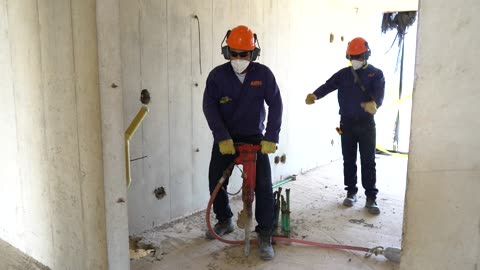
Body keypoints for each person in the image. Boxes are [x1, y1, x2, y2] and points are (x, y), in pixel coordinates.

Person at [202, 25, 283, 260]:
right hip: (227, 137)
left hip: (256, 139)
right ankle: (225, 219)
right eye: (234, 53)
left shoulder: (264, 75)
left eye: (244, 54)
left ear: (253, 54)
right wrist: (221, 135)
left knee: (264, 186)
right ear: (227, 52)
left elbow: (276, 104)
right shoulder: (217, 76)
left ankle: (265, 233)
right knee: (216, 180)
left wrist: (272, 137)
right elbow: (209, 106)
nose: (238, 58)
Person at [305, 37, 385, 215]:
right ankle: (351, 192)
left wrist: (376, 104)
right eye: (352, 56)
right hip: (346, 124)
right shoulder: (343, 74)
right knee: (348, 159)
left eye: (359, 56)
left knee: (368, 160)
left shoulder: (376, 74)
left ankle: (371, 197)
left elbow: (379, 92)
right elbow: (329, 85)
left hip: (366, 124)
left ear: (366, 56)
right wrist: (315, 95)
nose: (355, 60)